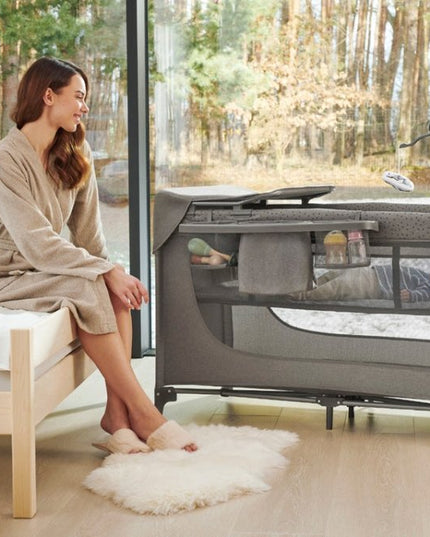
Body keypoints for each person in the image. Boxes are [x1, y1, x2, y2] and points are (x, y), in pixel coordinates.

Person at [0, 57, 196, 453]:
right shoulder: (6, 158)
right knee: (95, 281)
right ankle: (142, 411)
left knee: (108, 286)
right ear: (48, 95)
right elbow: (36, 242)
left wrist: (113, 272)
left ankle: (115, 416)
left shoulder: (75, 149)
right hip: (10, 275)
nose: (84, 107)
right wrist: (103, 271)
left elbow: (89, 237)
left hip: (47, 269)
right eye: (79, 97)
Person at [290, 264, 430, 303]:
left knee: (337, 286)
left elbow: (425, 293)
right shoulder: (425, 275)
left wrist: (412, 295)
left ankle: (299, 295)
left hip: (376, 284)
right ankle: (300, 287)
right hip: (373, 273)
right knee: (330, 276)